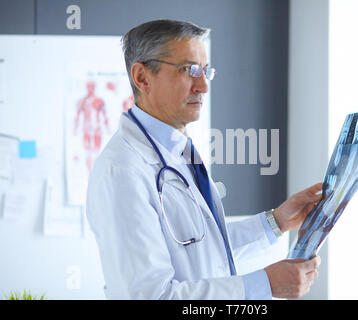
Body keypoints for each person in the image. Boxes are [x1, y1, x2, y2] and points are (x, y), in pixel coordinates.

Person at [86, 19, 322, 300]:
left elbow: (205, 251)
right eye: (189, 70)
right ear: (142, 77)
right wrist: (263, 286)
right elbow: (150, 297)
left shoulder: (178, 152)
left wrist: (277, 221)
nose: (203, 86)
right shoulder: (123, 171)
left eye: (206, 71)